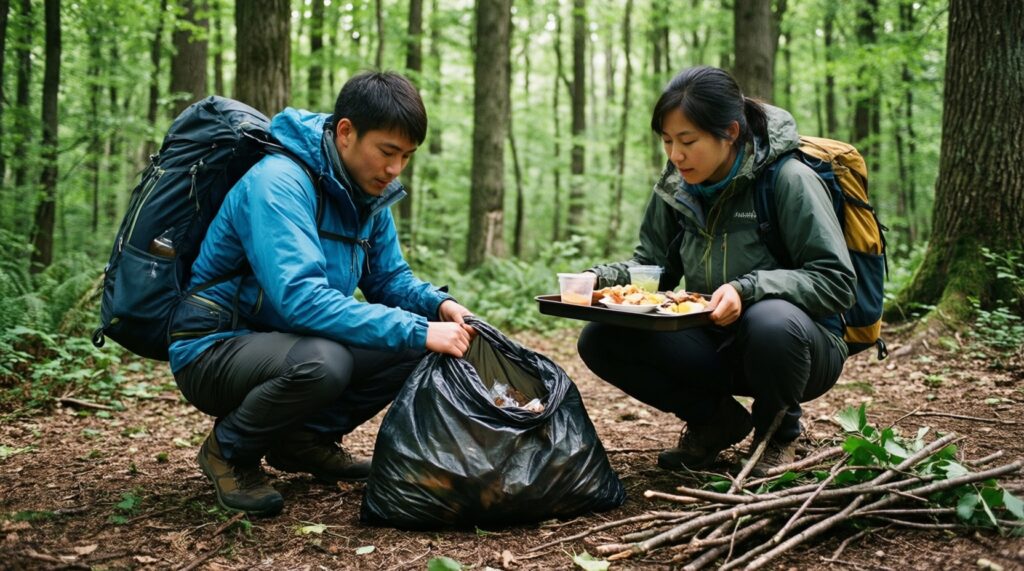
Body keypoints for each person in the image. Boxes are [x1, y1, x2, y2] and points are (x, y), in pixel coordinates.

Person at [167, 71, 475, 516]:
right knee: (327, 361)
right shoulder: (278, 182)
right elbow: (301, 299)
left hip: (290, 340)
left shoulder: (369, 194)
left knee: (419, 347)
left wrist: (438, 306)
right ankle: (228, 451)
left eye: (406, 157)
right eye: (387, 152)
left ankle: (301, 442)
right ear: (346, 132)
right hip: (214, 346)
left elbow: (388, 280)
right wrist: (416, 328)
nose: (395, 171)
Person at [577, 66, 855, 476]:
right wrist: (598, 280)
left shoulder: (788, 180)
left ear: (730, 132)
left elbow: (837, 282)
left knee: (769, 319)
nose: (676, 155)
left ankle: (777, 435)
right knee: (602, 337)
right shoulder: (677, 188)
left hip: (799, 349)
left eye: (688, 141)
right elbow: (653, 269)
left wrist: (749, 288)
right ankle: (715, 421)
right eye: (668, 141)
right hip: (715, 341)